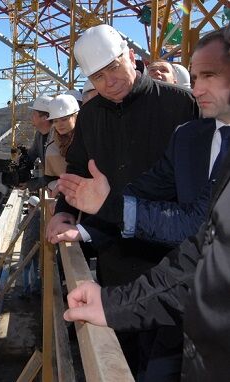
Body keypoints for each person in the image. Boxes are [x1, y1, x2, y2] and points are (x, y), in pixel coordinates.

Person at [58, 26, 230, 381]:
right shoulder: (191, 135)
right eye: (195, 77)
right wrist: (87, 224)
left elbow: (198, 226)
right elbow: (152, 194)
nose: (196, 90)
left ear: (131, 57)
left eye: (209, 77)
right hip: (161, 283)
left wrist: (108, 206)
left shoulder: (181, 106)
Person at [43, 94, 80, 193]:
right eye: (55, 121)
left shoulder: (88, 140)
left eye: (64, 119)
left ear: (76, 116)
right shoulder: (52, 146)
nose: (59, 124)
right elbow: (49, 178)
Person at [19, 195, 41, 299]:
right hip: (39, 247)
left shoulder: (28, 217)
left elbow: (20, 227)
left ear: (30, 205)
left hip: (28, 247)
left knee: (26, 269)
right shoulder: (42, 216)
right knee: (36, 268)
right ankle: (37, 289)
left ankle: (26, 291)